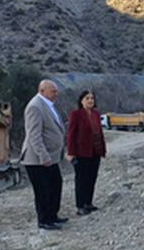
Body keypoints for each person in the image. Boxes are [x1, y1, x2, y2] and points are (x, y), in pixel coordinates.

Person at [21, 79, 67, 230]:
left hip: (51, 157)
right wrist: (43, 155)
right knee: (43, 191)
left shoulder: (48, 105)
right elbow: (34, 135)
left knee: (55, 185)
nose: (56, 93)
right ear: (42, 91)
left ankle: (52, 215)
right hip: (37, 159)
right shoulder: (35, 107)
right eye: (53, 91)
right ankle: (44, 220)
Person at [66, 90, 106, 216]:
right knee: (81, 179)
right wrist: (71, 152)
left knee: (91, 178)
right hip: (81, 152)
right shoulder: (76, 114)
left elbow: (99, 133)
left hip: (95, 151)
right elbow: (71, 135)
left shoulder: (95, 114)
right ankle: (80, 205)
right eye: (87, 98)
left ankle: (88, 202)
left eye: (92, 98)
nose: (90, 100)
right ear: (81, 100)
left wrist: (103, 149)